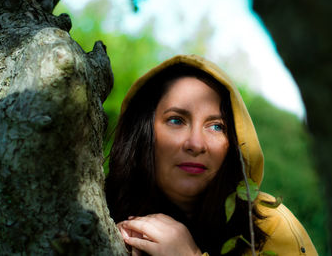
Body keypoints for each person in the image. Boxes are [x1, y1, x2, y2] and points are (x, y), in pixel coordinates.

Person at [105, 54, 318, 255]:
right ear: (144, 132)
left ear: (234, 142)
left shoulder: (269, 225)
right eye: (176, 120)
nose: (196, 144)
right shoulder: (94, 212)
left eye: (216, 126)